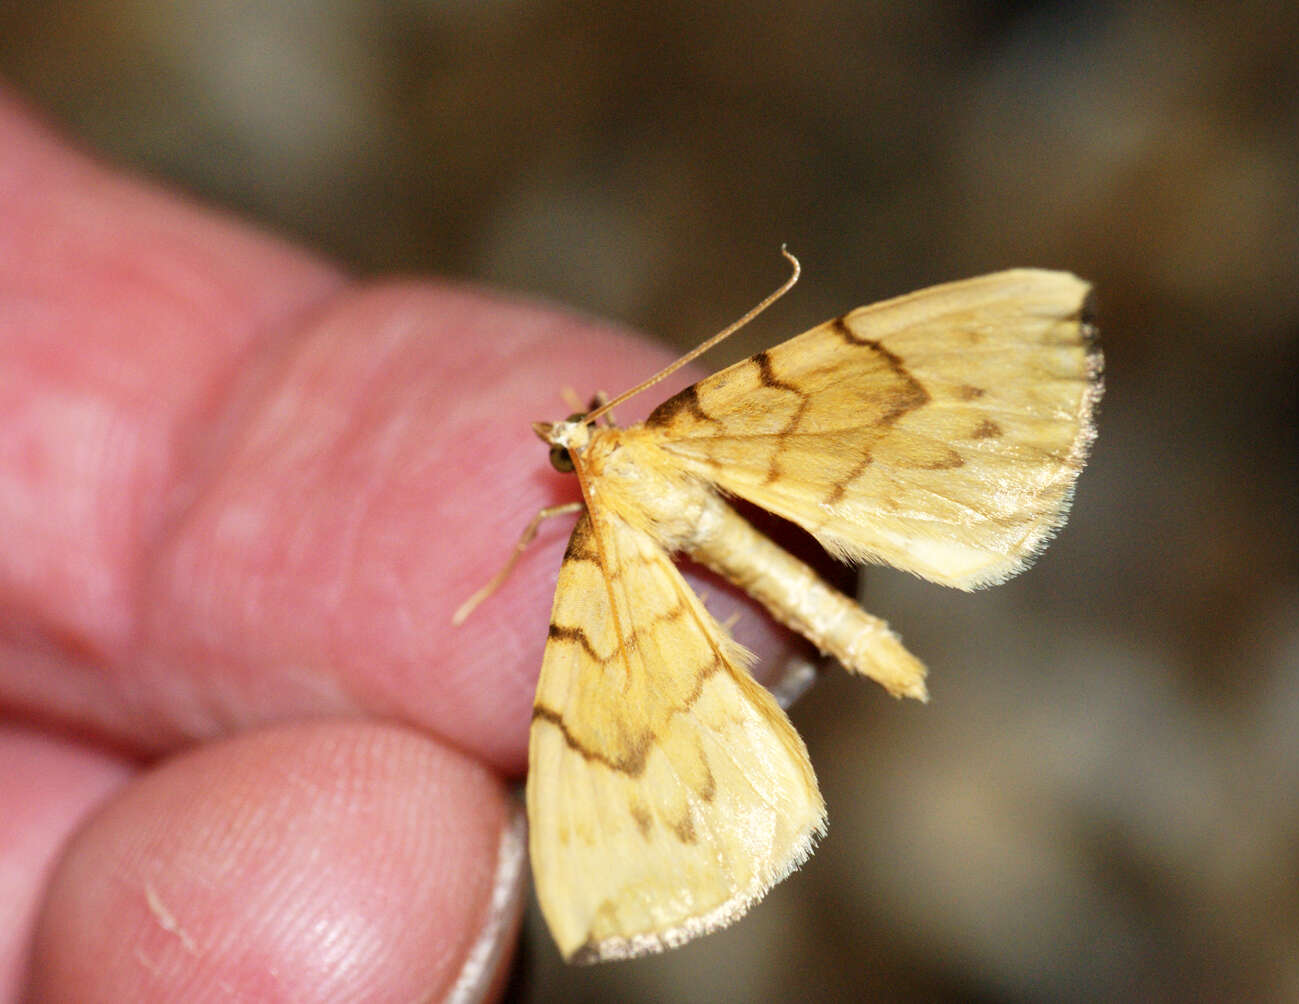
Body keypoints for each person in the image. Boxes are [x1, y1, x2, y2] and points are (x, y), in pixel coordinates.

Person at [0, 88, 802, 1000]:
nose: (570, 438)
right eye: (568, 440)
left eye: (573, 433)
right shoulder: (588, 515)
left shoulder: (575, 525)